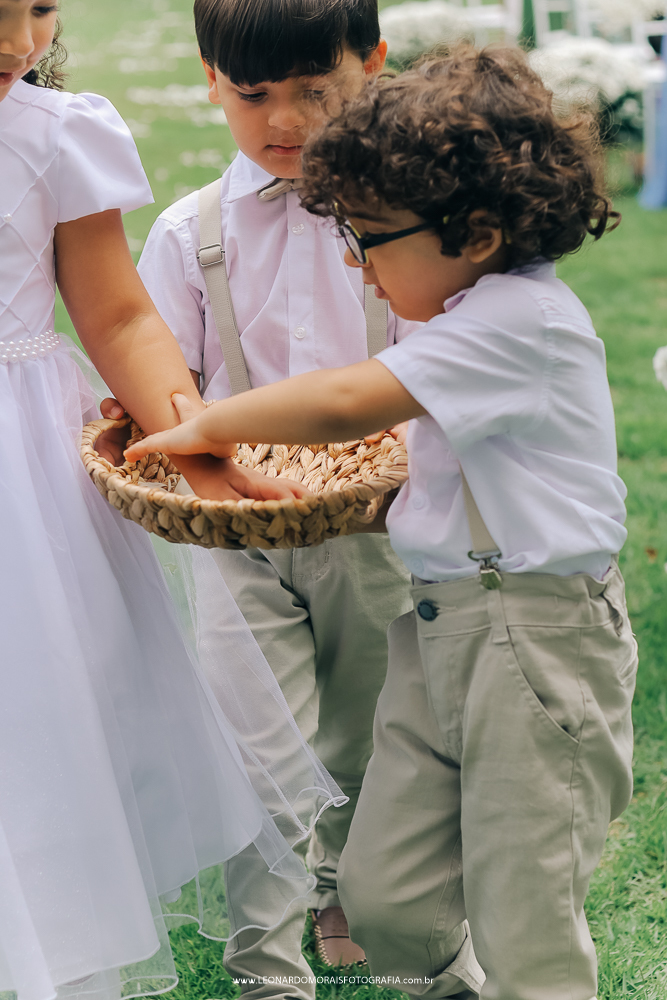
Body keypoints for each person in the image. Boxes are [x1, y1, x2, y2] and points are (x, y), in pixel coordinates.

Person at [127, 46, 639, 1000]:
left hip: (536, 637)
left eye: (369, 241)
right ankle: (438, 961)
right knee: (380, 897)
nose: (358, 269)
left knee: (527, 905)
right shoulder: (466, 310)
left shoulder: (519, 321)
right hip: (439, 626)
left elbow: (343, 401)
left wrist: (205, 424)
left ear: (477, 233)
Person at [0, 4, 342, 999]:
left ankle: (56, 958)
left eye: (41, 9)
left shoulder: (56, 133)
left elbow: (113, 311)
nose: (21, 42)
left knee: (41, 722)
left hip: (22, 487)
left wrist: (201, 441)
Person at [137, 0, 418, 988]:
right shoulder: (188, 235)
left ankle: (338, 884)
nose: (285, 121)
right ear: (212, 80)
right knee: (258, 748)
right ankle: (265, 961)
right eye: (254, 95)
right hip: (236, 538)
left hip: (379, 525)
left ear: (373, 66)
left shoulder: (407, 223)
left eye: (317, 90)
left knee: (366, 724)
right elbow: (157, 386)